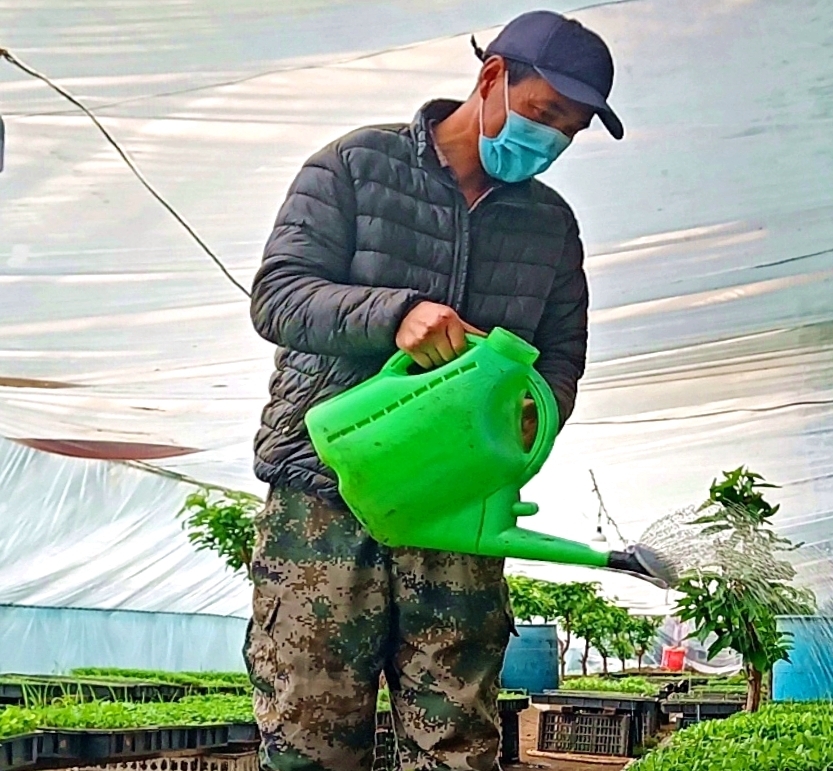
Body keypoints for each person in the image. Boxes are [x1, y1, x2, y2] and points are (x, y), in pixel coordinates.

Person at [245, 10, 623, 771]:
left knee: (456, 741)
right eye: (543, 114)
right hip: (326, 497)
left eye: (569, 131)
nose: (548, 141)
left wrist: (532, 421)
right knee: (310, 736)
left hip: (456, 511)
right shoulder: (356, 165)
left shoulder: (552, 226)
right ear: (491, 80)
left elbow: (562, 359)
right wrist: (394, 315)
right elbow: (278, 296)